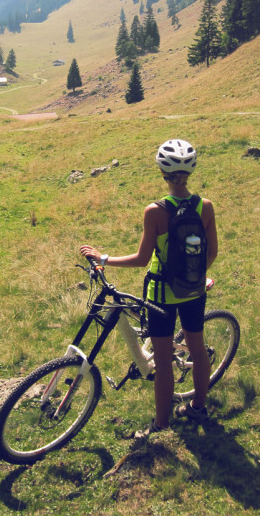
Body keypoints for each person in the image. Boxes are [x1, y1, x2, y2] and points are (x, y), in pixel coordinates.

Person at [80, 139, 218, 435]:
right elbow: (213, 252)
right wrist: (192, 275)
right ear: (190, 172)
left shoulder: (154, 211)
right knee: (198, 348)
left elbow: (142, 259)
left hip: (160, 295)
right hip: (194, 291)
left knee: (164, 360)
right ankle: (199, 408)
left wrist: (103, 257)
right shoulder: (205, 207)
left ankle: (162, 424)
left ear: (162, 173)